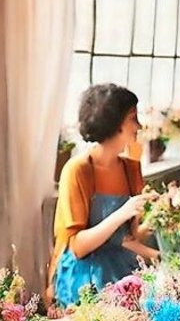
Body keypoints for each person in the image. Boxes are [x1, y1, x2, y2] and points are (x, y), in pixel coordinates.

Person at [51, 83, 160, 307]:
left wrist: (158, 222)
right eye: (133, 117)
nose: (138, 125)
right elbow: (78, 247)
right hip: (84, 284)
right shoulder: (77, 170)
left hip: (126, 276)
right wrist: (122, 213)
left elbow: (128, 239)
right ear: (115, 122)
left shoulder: (132, 169)